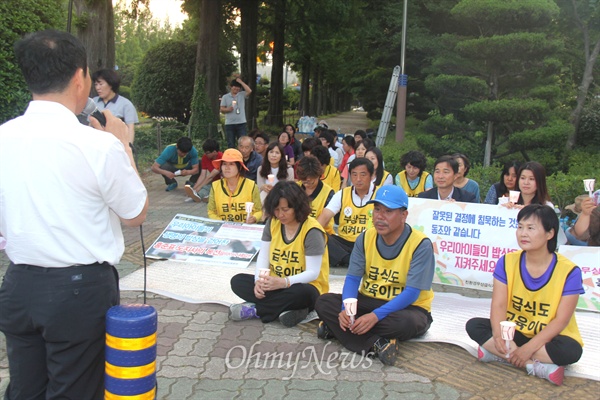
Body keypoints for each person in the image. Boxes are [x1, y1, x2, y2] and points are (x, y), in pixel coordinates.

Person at [0, 29, 148, 399]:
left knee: (25, 389)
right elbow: (135, 213)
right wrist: (123, 145)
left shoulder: (4, 136)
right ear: (80, 77)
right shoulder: (97, 145)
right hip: (78, 292)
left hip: (18, 285)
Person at [315, 185, 435, 366]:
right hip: (369, 299)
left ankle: (338, 330)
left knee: (405, 324)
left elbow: (412, 293)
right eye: (377, 209)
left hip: (407, 307)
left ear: (404, 215)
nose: (379, 216)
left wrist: (375, 316)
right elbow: (353, 279)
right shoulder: (365, 237)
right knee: (323, 302)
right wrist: (345, 309)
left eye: (388, 211)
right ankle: (378, 343)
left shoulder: (420, 244)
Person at [465, 205, 584, 386]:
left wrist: (528, 348)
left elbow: (561, 320)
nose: (522, 233)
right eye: (520, 227)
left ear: (550, 233)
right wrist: (499, 336)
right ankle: (533, 366)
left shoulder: (570, 271)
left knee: (571, 351)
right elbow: (499, 305)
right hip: (515, 331)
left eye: (530, 228)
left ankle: (499, 355)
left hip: (549, 336)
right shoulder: (507, 261)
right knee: (474, 326)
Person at [229, 181, 329, 327]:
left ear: (297, 207)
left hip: (303, 286)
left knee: (302, 293)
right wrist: (259, 281)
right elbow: (264, 255)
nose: (280, 215)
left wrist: (284, 282)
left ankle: (257, 310)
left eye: (285, 209)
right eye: (276, 209)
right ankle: (292, 311)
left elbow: (313, 273)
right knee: (238, 281)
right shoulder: (272, 222)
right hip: (275, 283)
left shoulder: (312, 231)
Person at [318, 158, 376, 267]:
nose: (358, 179)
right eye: (354, 175)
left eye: (363, 175)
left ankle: (347, 259)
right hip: (344, 243)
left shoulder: (380, 194)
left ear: (372, 176)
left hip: (369, 242)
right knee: (320, 236)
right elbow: (324, 217)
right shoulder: (343, 194)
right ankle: (350, 259)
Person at [207, 149, 262, 223]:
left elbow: (259, 211)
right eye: (224, 164)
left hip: (245, 229)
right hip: (223, 229)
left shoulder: (251, 186)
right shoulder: (215, 186)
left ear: (239, 167)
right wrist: (222, 224)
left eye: (231, 164)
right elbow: (211, 212)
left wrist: (254, 218)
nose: (227, 168)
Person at [92, 68, 138, 143]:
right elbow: (90, 125)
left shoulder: (126, 104)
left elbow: (130, 128)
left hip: (117, 145)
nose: (97, 88)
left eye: (101, 84)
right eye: (96, 84)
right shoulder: (93, 102)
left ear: (111, 84)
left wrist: (129, 148)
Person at [296, 156, 335, 235]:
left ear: (318, 176)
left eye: (311, 182)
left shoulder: (328, 193)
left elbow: (323, 222)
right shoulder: (295, 188)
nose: (307, 185)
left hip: (322, 233)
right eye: (304, 182)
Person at [186, 139, 222, 203]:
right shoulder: (205, 157)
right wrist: (194, 188)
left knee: (210, 188)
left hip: (223, 182)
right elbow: (202, 175)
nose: (205, 154)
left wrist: (199, 187)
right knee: (205, 188)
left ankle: (211, 196)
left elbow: (210, 177)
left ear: (214, 152)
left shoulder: (222, 157)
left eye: (207, 153)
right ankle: (198, 196)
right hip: (213, 182)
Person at [220, 75, 252, 149]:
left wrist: (240, 82)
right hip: (229, 123)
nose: (236, 88)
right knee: (230, 144)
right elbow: (222, 109)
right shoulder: (225, 97)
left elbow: (249, 90)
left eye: (238, 87)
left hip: (241, 123)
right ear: (231, 87)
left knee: (242, 143)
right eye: (234, 86)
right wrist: (228, 109)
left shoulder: (241, 95)